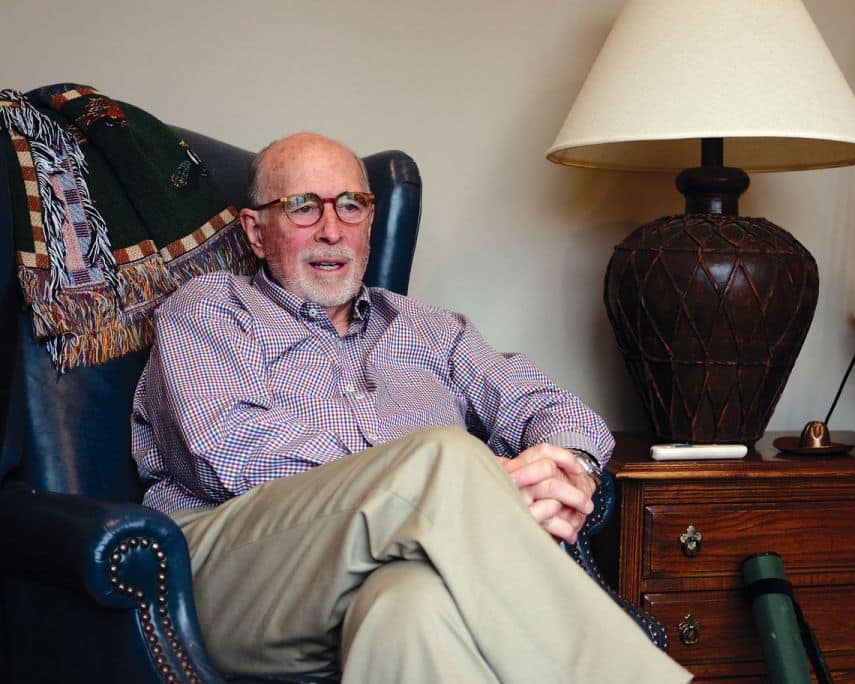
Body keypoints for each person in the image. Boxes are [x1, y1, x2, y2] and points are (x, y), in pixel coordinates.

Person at [132, 132, 691, 683]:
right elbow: (226, 451)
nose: (332, 229)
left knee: (411, 608)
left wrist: (571, 473)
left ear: (370, 220)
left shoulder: (434, 330)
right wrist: (453, 482)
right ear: (256, 232)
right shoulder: (210, 309)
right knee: (446, 455)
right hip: (228, 575)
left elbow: (547, 405)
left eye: (351, 205)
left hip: (388, 571)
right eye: (303, 207)